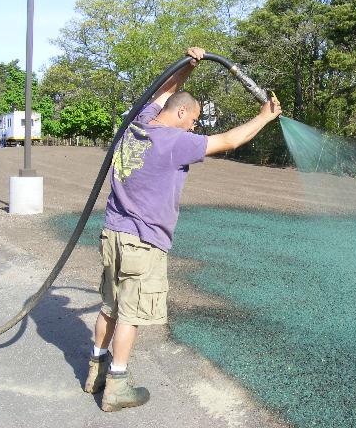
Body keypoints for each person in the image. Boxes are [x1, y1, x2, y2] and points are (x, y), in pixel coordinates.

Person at [84, 47, 281, 412]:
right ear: (180, 113)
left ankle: (94, 369)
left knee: (109, 305)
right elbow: (230, 141)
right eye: (193, 119)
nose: (194, 126)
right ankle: (116, 386)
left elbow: (161, 92)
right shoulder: (174, 142)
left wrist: (187, 67)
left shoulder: (138, 121)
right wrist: (264, 117)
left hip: (112, 232)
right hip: (143, 242)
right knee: (131, 313)